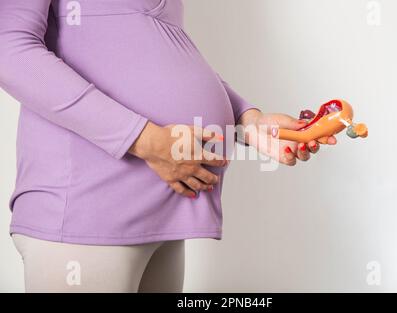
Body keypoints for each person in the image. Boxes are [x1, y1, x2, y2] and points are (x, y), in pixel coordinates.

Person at [0, 0, 336, 292]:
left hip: (169, 204)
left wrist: (247, 119)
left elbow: (156, 53)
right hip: (89, 210)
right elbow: (9, 51)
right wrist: (147, 141)